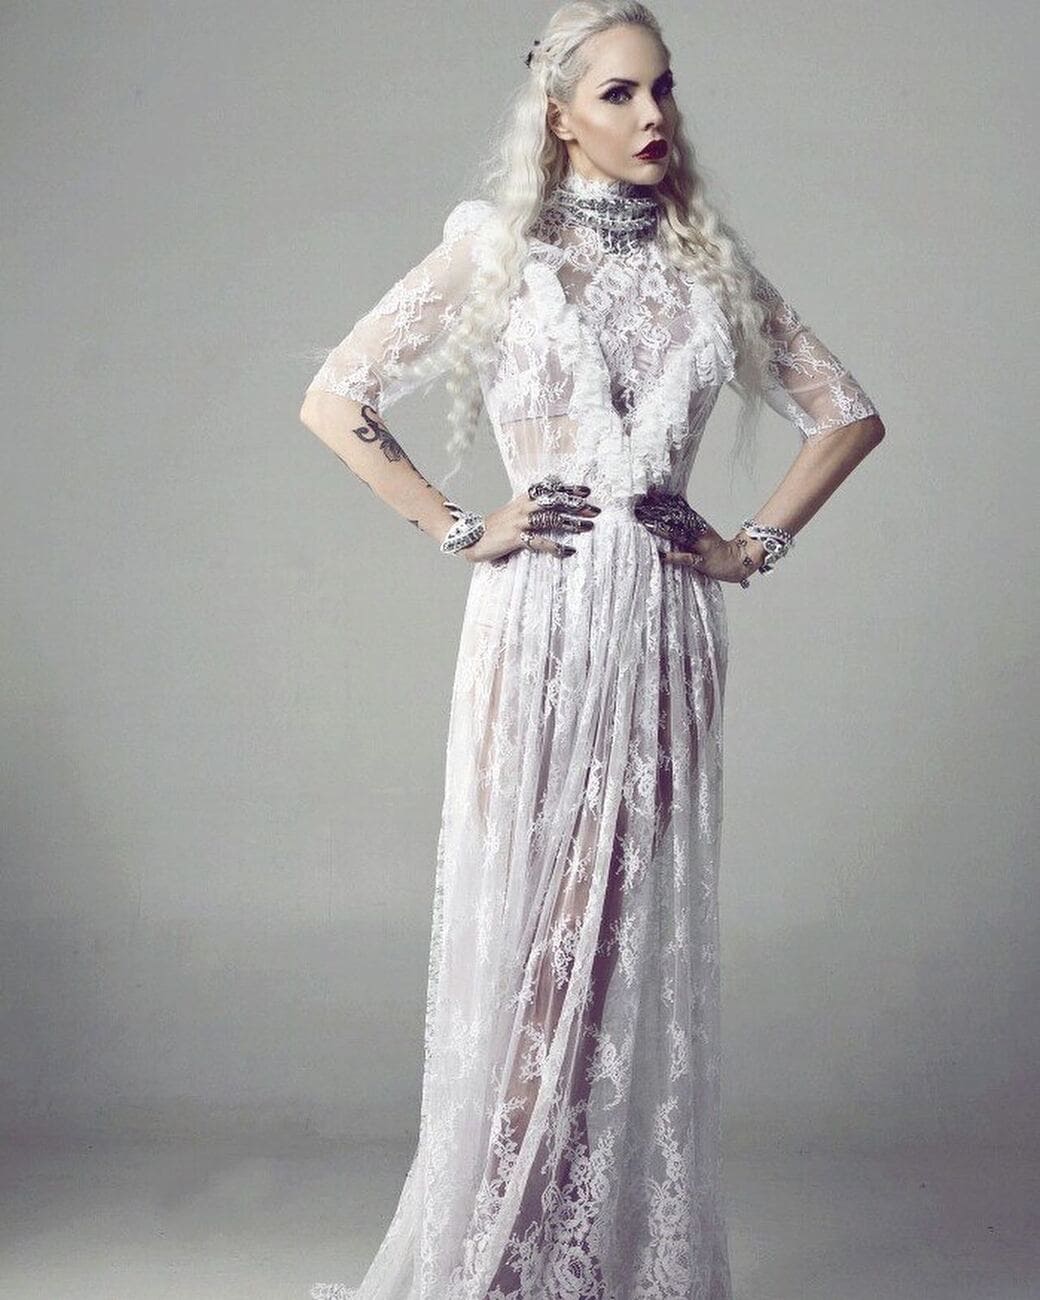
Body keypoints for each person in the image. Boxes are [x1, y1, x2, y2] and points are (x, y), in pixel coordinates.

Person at [300, 3, 884, 1297]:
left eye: (662, 88)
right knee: (534, 935)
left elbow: (847, 416)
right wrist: (461, 527)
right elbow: (336, 398)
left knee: (607, 938)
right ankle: (499, 1254)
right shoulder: (497, 251)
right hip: (540, 628)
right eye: (619, 93)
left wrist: (746, 548)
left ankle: (576, 1251)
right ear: (558, 115)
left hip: (664, 635)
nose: (654, 114)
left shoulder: (705, 264)